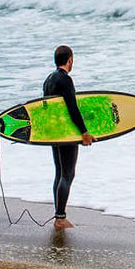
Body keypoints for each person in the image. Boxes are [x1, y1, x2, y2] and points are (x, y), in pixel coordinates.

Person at [43, 45, 95, 229]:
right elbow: (72, 107)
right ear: (70, 60)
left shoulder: (48, 80)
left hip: (55, 133)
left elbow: (48, 110)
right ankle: (60, 218)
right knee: (68, 174)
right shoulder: (65, 80)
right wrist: (84, 132)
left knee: (60, 173)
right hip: (66, 133)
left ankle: (59, 214)